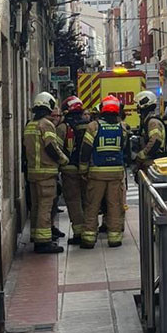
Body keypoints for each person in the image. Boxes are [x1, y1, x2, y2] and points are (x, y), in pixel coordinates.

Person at [22, 92, 69, 254]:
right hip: (46, 173)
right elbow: (51, 147)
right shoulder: (46, 124)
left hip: (33, 173)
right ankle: (43, 242)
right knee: (45, 207)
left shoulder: (30, 125)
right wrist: (64, 160)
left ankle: (36, 235)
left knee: (35, 206)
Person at [82, 95, 129, 248]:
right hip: (116, 172)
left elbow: (86, 149)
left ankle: (89, 238)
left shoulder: (93, 126)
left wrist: (83, 168)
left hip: (97, 172)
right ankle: (114, 238)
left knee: (93, 205)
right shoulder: (122, 127)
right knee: (114, 205)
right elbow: (124, 148)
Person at [58, 96, 92, 246]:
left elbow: (57, 149)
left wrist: (61, 163)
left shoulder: (63, 127)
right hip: (87, 169)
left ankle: (78, 232)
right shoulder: (90, 126)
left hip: (69, 169)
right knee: (87, 200)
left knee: (73, 201)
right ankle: (90, 230)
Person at [132, 90, 166, 173]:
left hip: (153, 161)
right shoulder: (148, 121)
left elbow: (156, 141)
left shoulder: (152, 122)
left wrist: (142, 155)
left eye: (138, 105)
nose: (137, 107)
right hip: (150, 161)